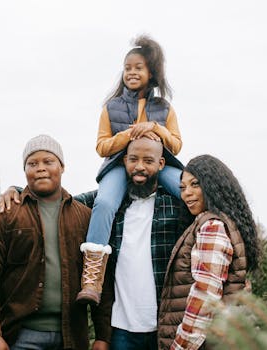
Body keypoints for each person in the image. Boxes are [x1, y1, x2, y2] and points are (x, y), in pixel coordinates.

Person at [0, 137, 189, 350]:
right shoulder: (105, 204)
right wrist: (17, 190)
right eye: (133, 159)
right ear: (124, 161)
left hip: (165, 323)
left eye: (148, 161)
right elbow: (57, 202)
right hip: (120, 327)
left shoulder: (175, 206)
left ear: (160, 164)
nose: (139, 166)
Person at [0, 134, 112, 350]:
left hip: (71, 337)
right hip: (20, 336)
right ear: (25, 170)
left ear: (62, 167)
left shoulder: (84, 217)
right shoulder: (6, 214)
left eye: (48, 161)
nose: (40, 168)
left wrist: (103, 336)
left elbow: (101, 277)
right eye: (32, 163)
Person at [77, 35, 183, 305]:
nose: (132, 72)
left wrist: (156, 128)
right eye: (128, 68)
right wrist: (128, 135)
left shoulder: (164, 108)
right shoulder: (110, 107)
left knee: (188, 189)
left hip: (156, 166)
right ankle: (92, 279)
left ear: (152, 73)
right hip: (118, 165)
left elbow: (177, 145)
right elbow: (102, 146)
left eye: (138, 68)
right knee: (104, 203)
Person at [158, 155, 260, 350]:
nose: (187, 193)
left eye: (195, 184)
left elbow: (205, 297)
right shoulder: (224, 222)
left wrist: (181, 346)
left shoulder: (211, 226)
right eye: (182, 187)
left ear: (213, 185)